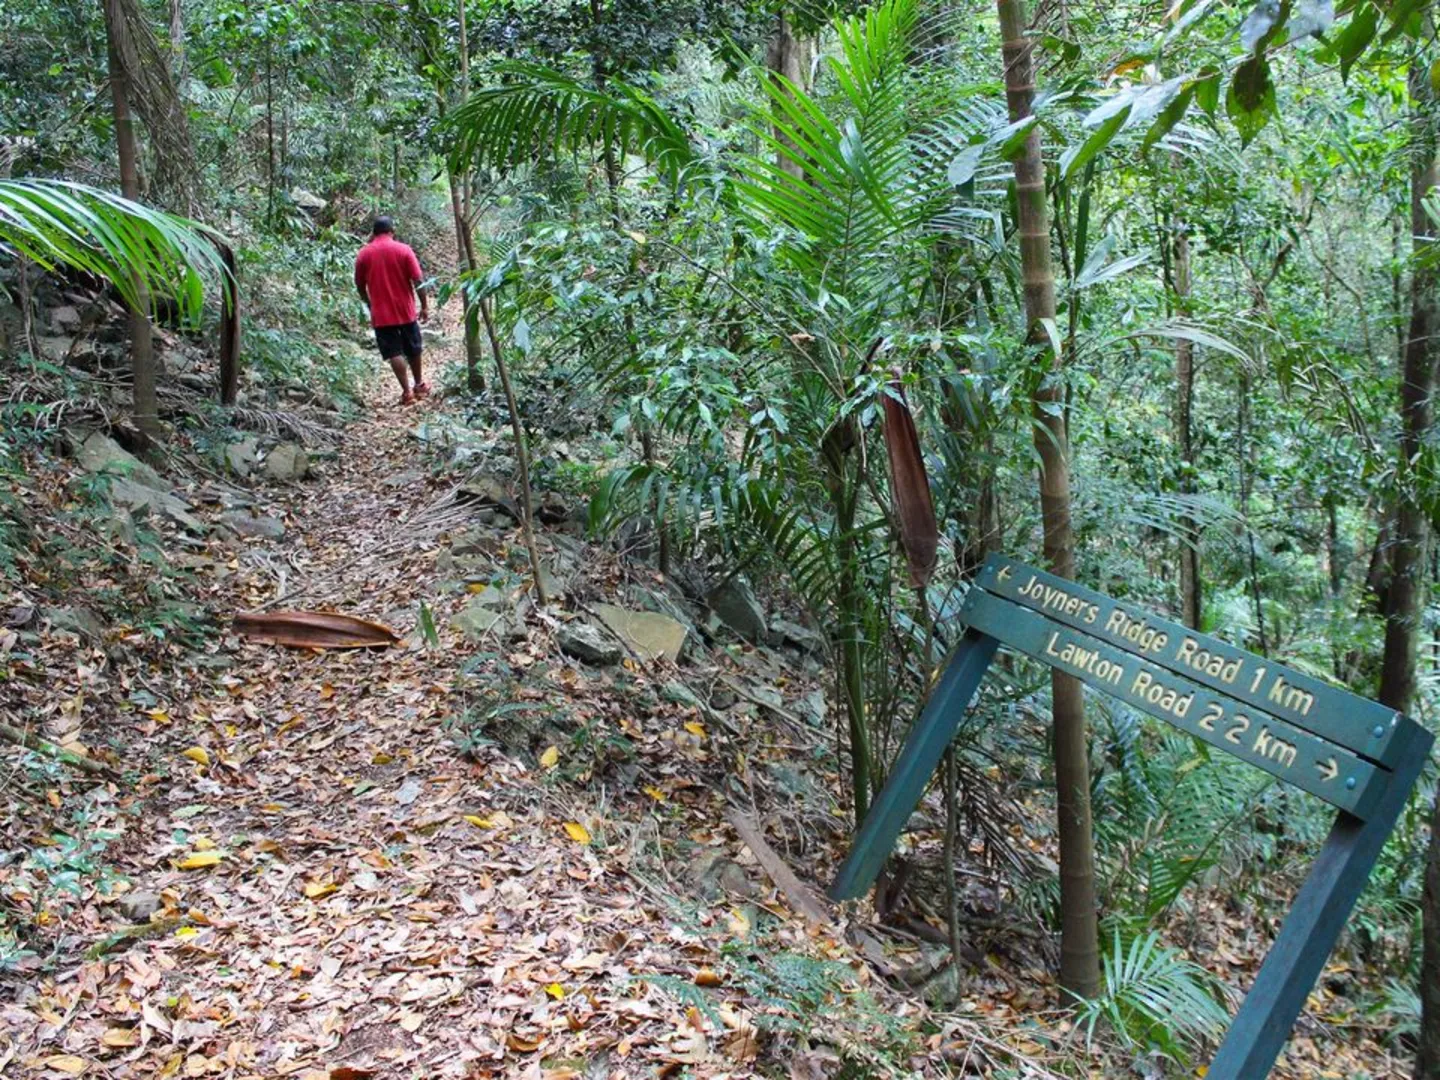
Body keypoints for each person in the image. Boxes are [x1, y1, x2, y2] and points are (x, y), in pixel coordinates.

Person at [355, 216, 430, 406]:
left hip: (381, 313)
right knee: (413, 348)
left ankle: (406, 393)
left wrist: (369, 303)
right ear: (391, 231)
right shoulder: (404, 250)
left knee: (394, 352)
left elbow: (359, 284)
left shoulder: (364, 254)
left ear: (373, 233)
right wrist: (424, 306)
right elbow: (418, 280)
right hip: (405, 310)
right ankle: (419, 385)